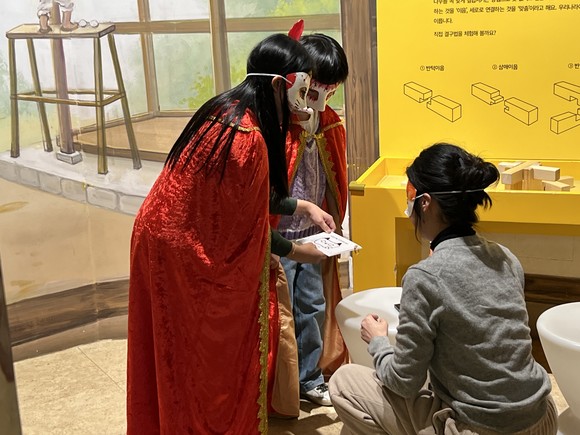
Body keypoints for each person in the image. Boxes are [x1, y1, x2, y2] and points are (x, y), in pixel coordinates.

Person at [126, 33, 334, 434]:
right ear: (281, 84)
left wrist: (303, 206)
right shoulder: (247, 138)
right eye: (303, 89)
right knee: (203, 353)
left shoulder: (227, 111)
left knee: (174, 349)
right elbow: (249, 226)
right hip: (182, 249)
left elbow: (247, 198)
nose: (306, 102)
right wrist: (298, 251)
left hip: (163, 236)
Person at [329, 143, 558, 434]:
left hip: (481, 427)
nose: (408, 208)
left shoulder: (424, 276)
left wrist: (378, 342)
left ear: (425, 202)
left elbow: (403, 381)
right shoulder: (505, 257)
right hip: (540, 415)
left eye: (409, 196)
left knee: (344, 382)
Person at [276, 32, 350, 407]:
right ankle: (280, 382)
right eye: (319, 88)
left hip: (313, 235)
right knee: (281, 313)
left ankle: (309, 377)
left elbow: (333, 177)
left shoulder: (329, 122)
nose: (324, 98)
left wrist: (333, 222)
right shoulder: (277, 124)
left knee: (313, 306)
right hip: (279, 237)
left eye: (332, 91)